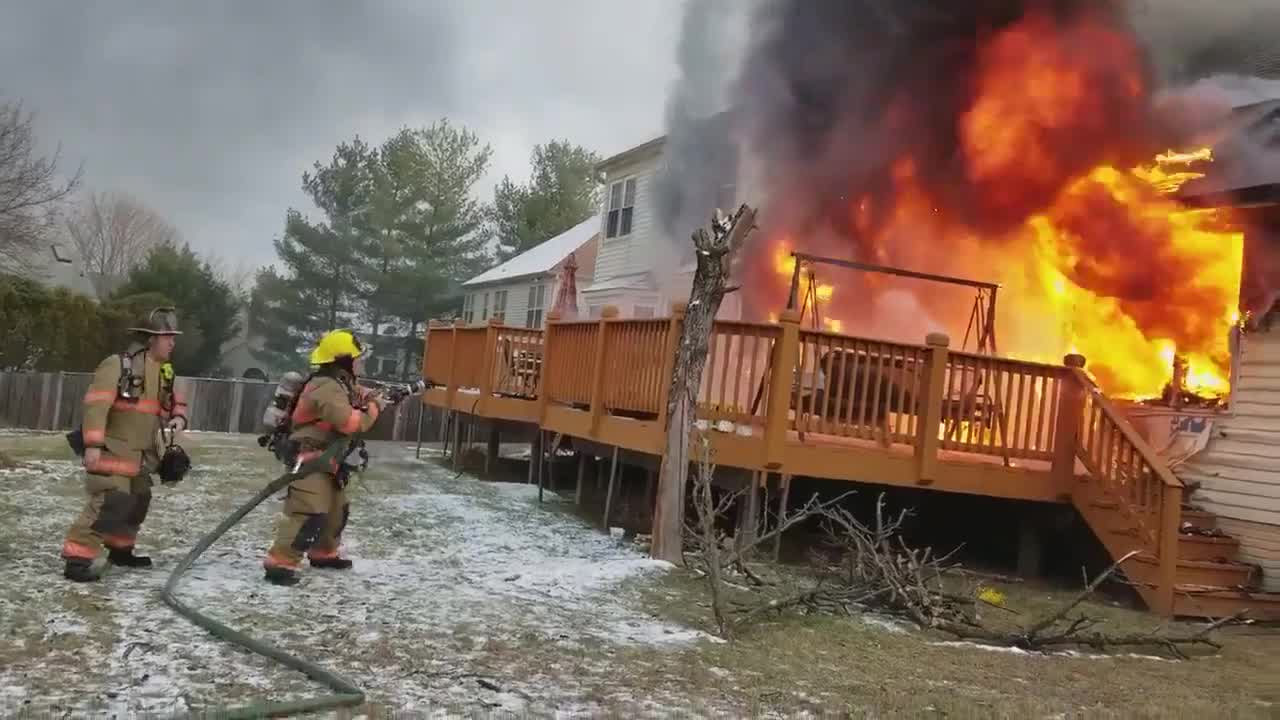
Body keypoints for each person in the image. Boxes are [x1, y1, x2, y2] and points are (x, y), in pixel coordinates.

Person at [61, 306, 189, 582]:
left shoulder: (164, 371)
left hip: (142, 455)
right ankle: (77, 559)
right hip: (113, 449)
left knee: (139, 500)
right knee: (111, 501)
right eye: (168, 337)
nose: (173, 343)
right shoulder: (117, 365)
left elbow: (173, 401)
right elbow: (96, 407)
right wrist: (93, 445)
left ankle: (120, 549)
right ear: (151, 338)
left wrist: (179, 417)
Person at [262, 329, 383, 586]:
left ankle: (323, 554)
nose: (361, 363)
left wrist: (371, 395)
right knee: (308, 512)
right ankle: (280, 563)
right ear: (343, 361)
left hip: (328, 459)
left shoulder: (340, 383)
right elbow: (351, 423)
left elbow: (356, 393)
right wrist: (374, 408)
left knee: (336, 510)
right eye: (357, 359)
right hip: (309, 458)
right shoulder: (325, 386)